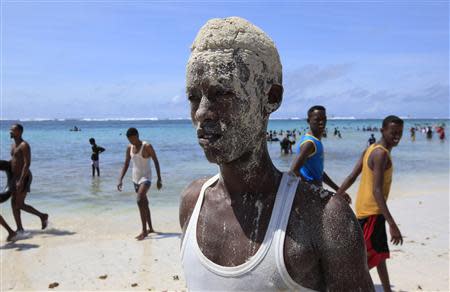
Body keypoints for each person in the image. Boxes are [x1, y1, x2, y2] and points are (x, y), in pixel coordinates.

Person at [180, 17, 373, 291]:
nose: (201, 112)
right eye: (193, 97)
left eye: (222, 93)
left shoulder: (325, 219)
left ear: (271, 98)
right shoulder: (192, 203)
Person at [336, 115, 404, 292]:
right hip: (372, 213)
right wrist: (392, 224)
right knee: (364, 260)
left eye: (399, 133)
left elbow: (352, 176)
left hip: (367, 211)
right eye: (393, 132)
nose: (396, 136)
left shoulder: (371, 149)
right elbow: (377, 190)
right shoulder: (380, 153)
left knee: (379, 255)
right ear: (382, 130)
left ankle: (387, 290)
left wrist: (337, 195)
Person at [289, 105, 351, 203]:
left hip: (316, 191)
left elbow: (319, 172)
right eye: (317, 120)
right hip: (309, 195)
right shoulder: (309, 143)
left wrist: (339, 190)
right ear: (308, 121)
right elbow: (294, 170)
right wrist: (311, 187)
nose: (322, 123)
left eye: (324, 119)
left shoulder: (316, 141)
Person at [117, 128, 162, 240]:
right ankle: (150, 228)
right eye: (129, 140)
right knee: (144, 203)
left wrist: (159, 178)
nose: (131, 141)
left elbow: (156, 160)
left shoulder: (147, 146)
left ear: (137, 135)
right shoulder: (129, 148)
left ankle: (144, 231)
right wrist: (120, 179)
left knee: (139, 199)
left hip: (146, 178)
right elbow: (126, 164)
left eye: (133, 139)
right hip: (135, 179)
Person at [10, 124, 48, 232]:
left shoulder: (24, 145)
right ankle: (19, 229)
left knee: (19, 204)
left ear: (20, 132)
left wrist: (21, 180)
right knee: (14, 203)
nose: (10, 131)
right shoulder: (13, 145)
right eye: (10, 130)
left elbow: (27, 163)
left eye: (12, 130)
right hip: (14, 177)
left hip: (24, 177)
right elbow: (13, 161)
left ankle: (42, 216)